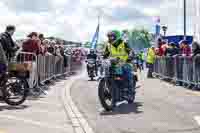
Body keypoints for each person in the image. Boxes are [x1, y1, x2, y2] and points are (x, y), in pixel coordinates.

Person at [103, 30, 134, 105]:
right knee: (107, 73)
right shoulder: (108, 45)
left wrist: (130, 56)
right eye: (109, 36)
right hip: (113, 64)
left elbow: (130, 51)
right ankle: (107, 90)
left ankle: (130, 93)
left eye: (112, 36)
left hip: (124, 63)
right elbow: (105, 55)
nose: (110, 38)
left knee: (128, 76)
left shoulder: (124, 43)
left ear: (116, 36)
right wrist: (101, 59)